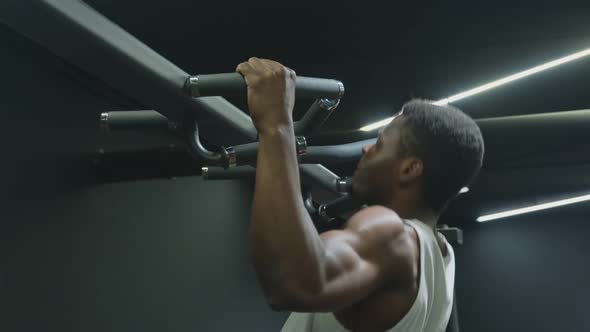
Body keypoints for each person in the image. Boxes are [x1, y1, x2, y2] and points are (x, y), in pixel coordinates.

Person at [236, 57, 484, 332]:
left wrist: (276, 125)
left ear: (409, 169)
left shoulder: (392, 234)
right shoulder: (442, 260)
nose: (366, 150)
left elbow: (294, 282)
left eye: (379, 143)